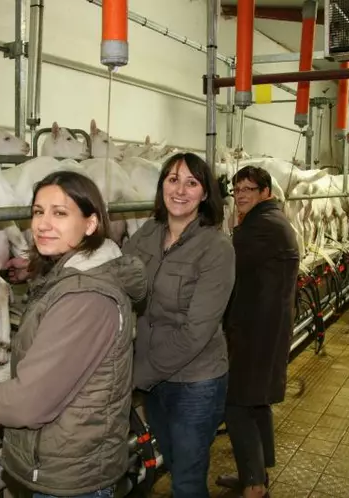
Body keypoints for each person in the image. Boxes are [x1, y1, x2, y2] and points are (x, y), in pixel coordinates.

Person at [0, 171, 147, 498]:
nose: (42, 223)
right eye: (38, 212)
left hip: (72, 475)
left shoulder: (84, 296)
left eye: (59, 213)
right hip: (73, 457)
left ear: (90, 223)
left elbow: (32, 401)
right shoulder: (84, 273)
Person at [122, 152, 235, 497]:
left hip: (195, 383)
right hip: (155, 381)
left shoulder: (216, 248)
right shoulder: (146, 234)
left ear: (205, 193)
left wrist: (140, 375)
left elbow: (196, 332)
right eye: (173, 180)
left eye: (192, 182)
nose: (180, 190)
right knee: (171, 460)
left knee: (187, 479)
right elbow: (118, 279)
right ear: (162, 188)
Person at [215, 166, 299, 498]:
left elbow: (226, 269)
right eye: (238, 190)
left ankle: (253, 484)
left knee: (236, 403)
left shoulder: (258, 227)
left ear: (266, 192)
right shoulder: (272, 221)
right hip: (268, 330)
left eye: (250, 189)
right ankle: (258, 473)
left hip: (254, 333)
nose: (242, 196)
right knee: (257, 401)